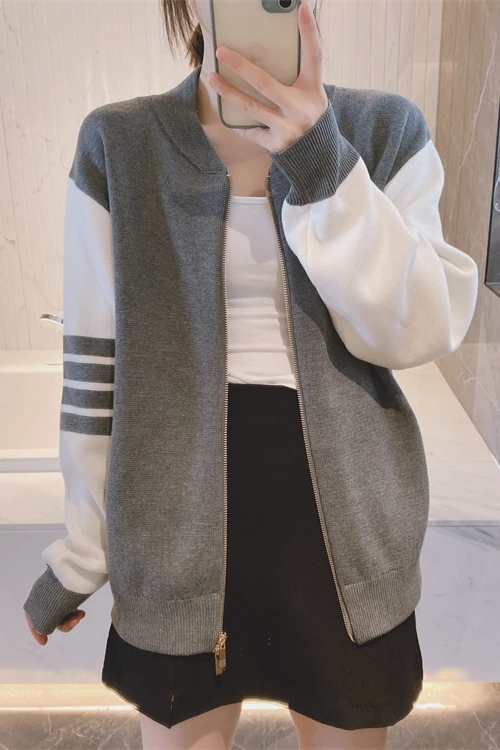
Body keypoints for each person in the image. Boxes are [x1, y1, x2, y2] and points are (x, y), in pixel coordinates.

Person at [23, 0, 479, 748]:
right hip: (172, 527)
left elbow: (422, 327)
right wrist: (81, 553)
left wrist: (321, 162)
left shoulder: (383, 130)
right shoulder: (121, 142)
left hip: (344, 531)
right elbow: (98, 367)